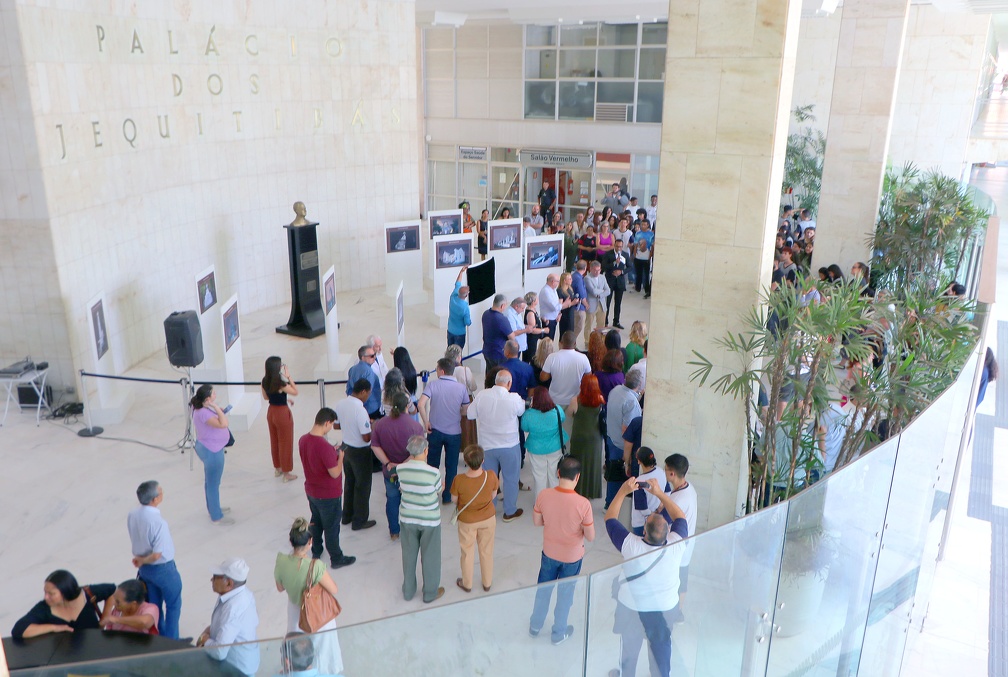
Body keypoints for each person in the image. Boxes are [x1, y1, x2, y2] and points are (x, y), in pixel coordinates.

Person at [605, 478, 689, 677]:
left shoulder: (631, 545)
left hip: (632, 607)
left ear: (643, 531)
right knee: (661, 650)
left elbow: (610, 518)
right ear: (668, 531)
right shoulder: (676, 545)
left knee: (629, 649)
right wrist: (659, 493)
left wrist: (623, 491)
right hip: (664, 609)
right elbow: (680, 516)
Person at [529, 456, 595, 645]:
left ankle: (535, 626)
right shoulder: (583, 504)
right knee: (565, 595)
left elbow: (537, 522)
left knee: (543, 590)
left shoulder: (543, 495)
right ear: (578, 477)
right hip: (572, 558)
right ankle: (558, 632)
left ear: (558, 473)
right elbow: (590, 536)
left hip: (549, 553)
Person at [274, 517, 344, 675]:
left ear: (291, 541)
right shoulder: (315, 566)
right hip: (317, 614)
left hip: (295, 614)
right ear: (310, 541)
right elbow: (334, 589)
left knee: (298, 653)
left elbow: (279, 588)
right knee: (322, 651)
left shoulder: (281, 561)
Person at [299, 408, 355, 569]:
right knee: (331, 527)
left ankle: (316, 550)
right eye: (331, 425)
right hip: (328, 494)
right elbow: (335, 473)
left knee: (315, 521)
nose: (331, 428)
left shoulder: (303, 439)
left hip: (311, 491)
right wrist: (340, 458)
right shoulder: (323, 446)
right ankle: (336, 558)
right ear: (326, 423)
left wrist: (332, 453)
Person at [468, 369, 527, 522]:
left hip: (487, 446)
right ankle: (509, 511)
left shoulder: (482, 395)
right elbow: (521, 411)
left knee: (488, 480)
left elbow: (470, 414)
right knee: (511, 479)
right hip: (510, 446)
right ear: (509, 383)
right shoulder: (514, 398)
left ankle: (489, 509)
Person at [127, 480, 183, 638]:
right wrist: (143, 560)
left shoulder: (133, 514)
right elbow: (158, 554)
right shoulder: (159, 523)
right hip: (163, 568)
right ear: (155, 499)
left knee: (154, 606)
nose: (162, 493)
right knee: (173, 605)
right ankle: (173, 641)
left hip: (145, 570)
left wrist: (141, 561)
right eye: (161, 492)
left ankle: (159, 636)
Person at [398, 435, 445, 603]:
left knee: (408, 555)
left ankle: (409, 590)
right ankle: (430, 592)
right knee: (430, 556)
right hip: (430, 519)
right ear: (425, 451)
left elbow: (403, 488)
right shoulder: (433, 472)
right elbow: (438, 489)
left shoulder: (400, 469)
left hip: (407, 517)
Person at [372, 392, 425, 539]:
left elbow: (375, 446)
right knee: (411, 501)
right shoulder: (415, 426)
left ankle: (394, 531)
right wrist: (403, 465)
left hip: (389, 471)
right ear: (407, 406)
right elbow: (417, 451)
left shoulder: (381, 424)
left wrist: (389, 463)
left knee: (392, 500)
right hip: (410, 471)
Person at [419, 357, 471, 505]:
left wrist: (425, 421)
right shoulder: (461, 388)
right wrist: (457, 412)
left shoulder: (433, 385)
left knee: (432, 465)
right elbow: (466, 409)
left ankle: (432, 493)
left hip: (434, 431)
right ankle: (447, 496)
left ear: (441, 371)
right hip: (454, 433)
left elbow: (421, 404)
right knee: (451, 465)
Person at [197, 557, 260, 677]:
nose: (211, 579)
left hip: (236, 670)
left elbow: (219, 651)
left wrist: (205, 641)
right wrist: (211, 629)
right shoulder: (244, 593)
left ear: (229, 583)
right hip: (244, 663)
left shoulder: (233, 608)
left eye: (216, 577)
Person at [450, 444, 499, 593]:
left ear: (465, 461)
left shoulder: (459, 480)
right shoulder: (490, 475)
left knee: (467, 551)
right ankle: (487, 582)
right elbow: (493, 495)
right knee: (486, 551)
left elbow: (453, 499)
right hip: (488, 518)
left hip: (467, 521)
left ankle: (467, 583)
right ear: (483, 460)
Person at [12, 570, 114, 639]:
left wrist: (105, 618)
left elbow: (113, 590)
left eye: (51, 594)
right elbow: (19, 630)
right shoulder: (44, 608)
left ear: (66, 591)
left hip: (95, 654)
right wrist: (53, 627)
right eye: (45, 592)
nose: (46, 597)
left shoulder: (87, 594)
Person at [334, 379, 376, 531]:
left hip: (346, 448)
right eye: (368, 394)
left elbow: (336, 425)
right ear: (363, 391)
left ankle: (346, 516)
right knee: (363, 486)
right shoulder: (361, 410)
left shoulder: (341, 404)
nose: (368, 397)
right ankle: (359, 520)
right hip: (360, 452)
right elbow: (366, 437)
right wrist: (372, 426)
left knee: (349, 482)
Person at [190, 384, 233, 525]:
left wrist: (215, 408)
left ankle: (213, 508)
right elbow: (223, 424)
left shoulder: (199, 407)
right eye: (213, 393)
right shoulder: (203, 412)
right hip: (212, 451)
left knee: (210, 481)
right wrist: (216, 408)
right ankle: (216, 515)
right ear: (208, 398)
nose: (216, 394)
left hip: (209, 447)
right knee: (213, 483)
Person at [664, 453, 698, 619]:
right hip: (688, 543)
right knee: (682, 579)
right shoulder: (689, 488)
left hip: (677, 546)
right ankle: (678, 613)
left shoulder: (676, 498)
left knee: (673, 581)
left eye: (666, 469)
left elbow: (662, 520)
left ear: (672, 474)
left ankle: (671, 612)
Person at [521, 387, 569, 497]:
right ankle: (555, 501)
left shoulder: (528, 414)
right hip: (555, 447)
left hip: (536, 449)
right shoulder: (557, 410)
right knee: (554, 476)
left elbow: (525, 428)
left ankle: (540, 503)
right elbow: (562, 419)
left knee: (539, 477)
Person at [606, 370, 644, 507]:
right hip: (622, 444)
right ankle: (614, 506)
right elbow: (627, 429)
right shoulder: (631, 402)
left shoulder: (615, 390)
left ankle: (608, 502)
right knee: (620, 476)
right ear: (639, 384)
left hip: (611, 437)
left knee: (612, 473)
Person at [262, 356, 299, 482]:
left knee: (275, 440)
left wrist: (282, 398)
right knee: (285, 442)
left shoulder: (265, 381)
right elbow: (295, 391)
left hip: (271, 412)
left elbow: (267, 397)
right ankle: (287, 473)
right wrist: (289, 377)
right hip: (282, 413)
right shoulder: (280, 383)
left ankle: (277, 468)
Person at [569, 374, 605, 499]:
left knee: (578, 463)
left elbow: (570, 413)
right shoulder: (600, 399)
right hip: (594, 437)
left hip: (579, 436)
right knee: (593, 464)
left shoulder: (576, 400)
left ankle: (578, 489)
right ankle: (592, 492)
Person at [540, 331, 592, 412]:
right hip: (575, 401)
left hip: (555, 400)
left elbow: (543, 378)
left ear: (561, 343)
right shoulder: (583, 358)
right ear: (575, 343)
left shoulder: (552, 357)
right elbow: (589, 378)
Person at [629, 447, 667, 537]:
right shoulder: (661, 472)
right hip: (657, 519)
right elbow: (667, 491)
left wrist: (651, 515)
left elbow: (642, 508)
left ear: (639, 461)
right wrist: (661, 506)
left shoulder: (640, 481)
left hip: (641, 524)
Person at [346, 346, 382, 418]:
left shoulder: (352, 369)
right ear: (363, 358)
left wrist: (354, 403)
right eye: (371, 356)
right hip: (371, 408)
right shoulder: (369, 372)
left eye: (374, 354)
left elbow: (349, 389)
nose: (374, 357)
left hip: (357, 408)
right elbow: (367, 392)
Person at [482, 294, 515, 370]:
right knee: (499, 376)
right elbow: (512, 337)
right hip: (498, 353)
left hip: (487, 350)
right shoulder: (502, 319)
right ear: (502, 305)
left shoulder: (485, 314)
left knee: (490, 375)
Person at [602, 237, 629, 329]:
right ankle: (605, 321)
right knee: (607, 302)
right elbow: (604, 266)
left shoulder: (625, 255)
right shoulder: (608, 254)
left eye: (620, 247)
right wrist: (614, 263)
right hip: (610, 280)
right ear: (614, 245)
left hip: (620, 281)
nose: (619, 248)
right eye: (617, 246)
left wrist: (621, 272)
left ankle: (616, 321)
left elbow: (630, 267)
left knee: (618, 302)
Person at [539, 274, 570, 341]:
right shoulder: (546, 291)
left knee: (551, 339)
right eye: (558, 281)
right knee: (548, 341)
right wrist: (565, 304)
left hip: (554, 318)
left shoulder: (553, 290)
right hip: (548, 320)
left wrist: (559, 314)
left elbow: (557, 303)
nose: (559, 283)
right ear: (553, 281)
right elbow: (554, 307)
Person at [585, 260, 611, 337]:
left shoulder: (602, 277)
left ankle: (600, 340)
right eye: (595, 270)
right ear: (590, 269)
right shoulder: (587, 278)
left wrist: (600, 294)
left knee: (601, 325)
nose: (597, 272)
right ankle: (587, 342)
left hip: (602, 304)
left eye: (599, 270)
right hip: (591, 304)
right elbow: (593, 291)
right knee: (588, 325)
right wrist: (603, 291)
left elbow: (608, 291)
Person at [447, 266, 471, 348]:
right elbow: (467, 322)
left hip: (450, 330)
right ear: (466, 295)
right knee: (458, 353)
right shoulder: (465, 307)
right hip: (459, 333)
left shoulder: (453, 297)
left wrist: (461, 272)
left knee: (450, 351)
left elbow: (457, 283)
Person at [632, 219, 654, 298]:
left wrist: (650, 256)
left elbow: (652, 246)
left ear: (648, 225)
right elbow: (635, 244)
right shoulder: (638, 233)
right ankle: (637, 287)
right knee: (638, 273)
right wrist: (634, 254)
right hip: (638, 256)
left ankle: (646, 289)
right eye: (642, 224)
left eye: (644, 224)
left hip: (646, 257)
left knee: (646, 274)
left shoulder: (651, 234)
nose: (642, 226)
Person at [523, 291, 547, 363]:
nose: (538, 300)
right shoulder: (530, 313)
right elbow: (532, 329)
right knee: (530, 356)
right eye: (536, 298)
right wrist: (544, 330)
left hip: (534, 338)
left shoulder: (533, 309)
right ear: (533, 301)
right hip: (531, 339)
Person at [570, 260, 589, 347]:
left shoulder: (574, 276)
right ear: (585, 268)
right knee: (578, 326)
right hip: (578, 307)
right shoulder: (578, 278)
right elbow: (581, 294)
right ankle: (572, 343)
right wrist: (586, 304)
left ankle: (573, 343)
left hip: (575, 306)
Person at [556, 272, 577, 340]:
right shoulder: (560, 291)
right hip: (565, 315)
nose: (571, 280)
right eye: (570, 279)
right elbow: (560, 306)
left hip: (571, 313)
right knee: (564, 333)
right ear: (565, 280)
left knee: (571, 332)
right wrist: (571, 303)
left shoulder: (570, 289)